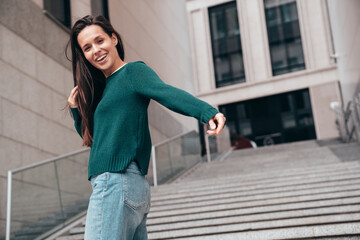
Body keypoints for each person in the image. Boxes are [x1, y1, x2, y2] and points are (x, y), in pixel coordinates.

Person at [67, 15, 226, 240]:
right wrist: (76, 110)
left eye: (100, 41)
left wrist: (207, 112)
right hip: (129, 185)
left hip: (116, 182)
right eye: (87, 47)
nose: (95, 50)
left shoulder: (132, 72)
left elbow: (166, 92)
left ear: (114, 39)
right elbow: (96, 140)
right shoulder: (105, 89)